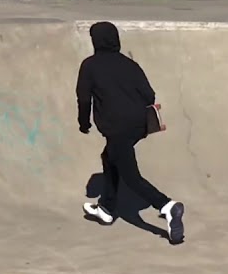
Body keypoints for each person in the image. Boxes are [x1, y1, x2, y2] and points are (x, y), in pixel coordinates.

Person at [76, 21, 185, 244]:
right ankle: (106, 209)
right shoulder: (129, 64)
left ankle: (167, 205)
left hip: (116, 126)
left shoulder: (90, 65)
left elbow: (84, 98)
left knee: (131, 177)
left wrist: (84, 122)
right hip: (138, 125)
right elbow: (149, 95)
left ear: (95, 40)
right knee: (109, 157)